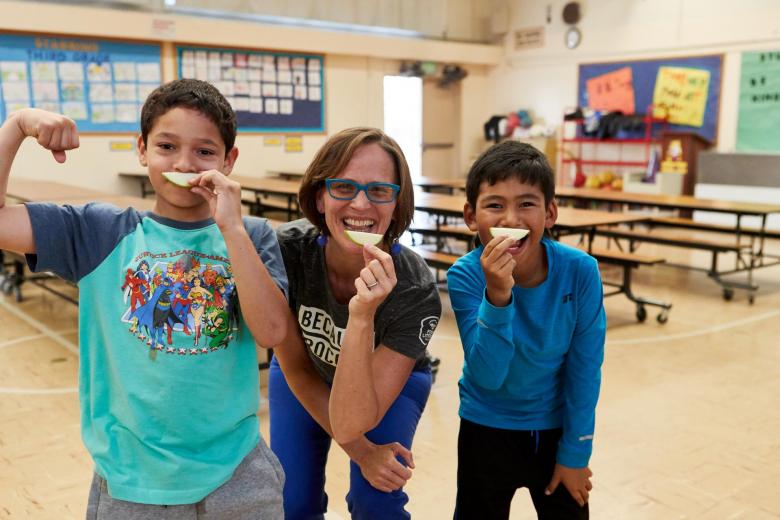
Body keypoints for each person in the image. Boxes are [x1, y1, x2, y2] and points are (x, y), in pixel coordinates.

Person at [0, 79, 289, 518]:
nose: (185, 163)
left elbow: (271, 332)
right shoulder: (98, 233)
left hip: (240, 476)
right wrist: (17, 125)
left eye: (205, 152)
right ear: (142, 149)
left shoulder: (252, 236)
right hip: (133, 484)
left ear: (228, 161)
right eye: (167, 146)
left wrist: (231, 228)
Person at [271, 127, 441, 519]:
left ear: (397, 205)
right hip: (305, 367)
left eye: (380, 191)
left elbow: (354, 420)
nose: (361, 205)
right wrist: (363, 452)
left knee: (376, 502)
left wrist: (362, 316)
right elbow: (294, 366)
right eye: (343, 187)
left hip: (391, 383)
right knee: (291, 501)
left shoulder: (414, 287)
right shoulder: (288, 253)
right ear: (319, 195)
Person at [447, 141, 606, 519]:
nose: (512, 220)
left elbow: (585, 370)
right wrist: (498, 296)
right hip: (484, 427)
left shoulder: (580, 271)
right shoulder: (465, 276)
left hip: (555, 431)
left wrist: (575, 454)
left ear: (550, 212)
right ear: (471, 216)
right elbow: (487, 375)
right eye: (495, 205)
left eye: (527, 204)